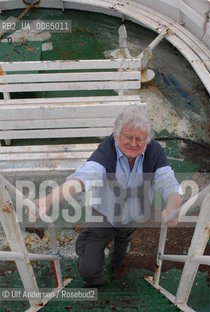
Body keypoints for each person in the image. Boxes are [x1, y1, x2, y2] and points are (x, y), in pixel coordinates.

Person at [31, 106, 182, 287]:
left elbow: (168, 181)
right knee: (88, 266)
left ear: (147, 140)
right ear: (117, 135)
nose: (134, 143)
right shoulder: (106, 151)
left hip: (133, 215)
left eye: (139, 139)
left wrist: (173, 204)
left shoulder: (154, 151)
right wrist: (48, 200)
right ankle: (96, 283)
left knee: (121, 247)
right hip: (103, 214)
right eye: (128, 137)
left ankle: (116, 261)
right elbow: (84, 177)